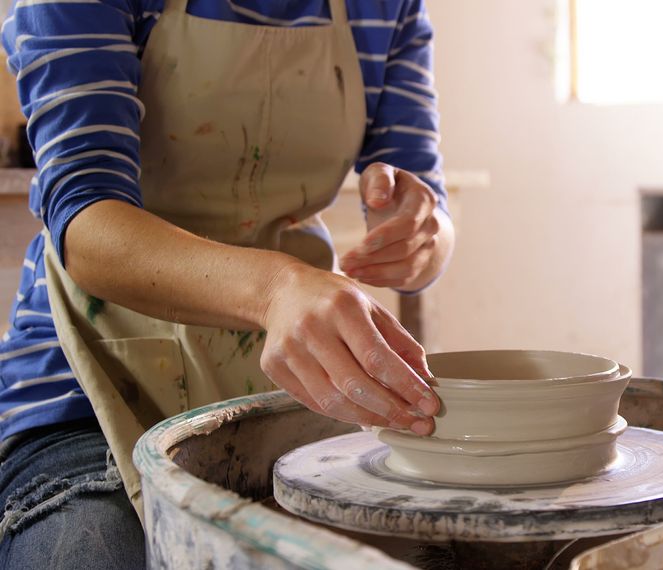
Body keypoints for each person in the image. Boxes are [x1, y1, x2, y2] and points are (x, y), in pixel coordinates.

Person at [0, 0, 454, 567]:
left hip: (282, 392)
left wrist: (417, 236)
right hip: (89, 393)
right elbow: (86, 224)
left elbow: (423, 202)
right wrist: (275, 290)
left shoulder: (386, 9)